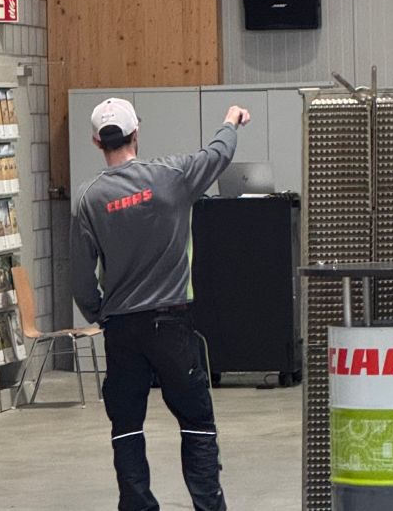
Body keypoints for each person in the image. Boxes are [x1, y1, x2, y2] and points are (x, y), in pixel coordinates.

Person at [71, 98, 250, 511]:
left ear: (96, 141)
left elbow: (81, 277)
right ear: (137, 132)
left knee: (127, 427)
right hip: (171, 324)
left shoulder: (88, 199)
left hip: (121, 330)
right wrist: (230, 120)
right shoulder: (173, 177)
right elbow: (218, 154)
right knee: (197, 423)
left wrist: (99, 313)